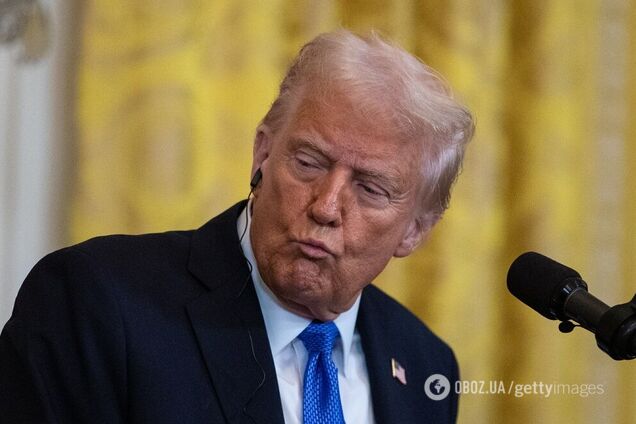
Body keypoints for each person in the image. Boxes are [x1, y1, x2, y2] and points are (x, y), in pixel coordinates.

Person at [0, 29, 474, 423]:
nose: (327, 207)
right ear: (263, 153)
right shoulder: (95, 301)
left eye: (370, 189)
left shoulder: (425, 363)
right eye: (308, 162)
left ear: (415, 230)